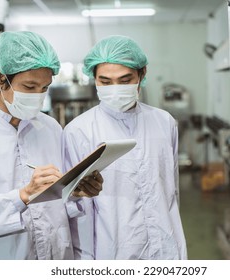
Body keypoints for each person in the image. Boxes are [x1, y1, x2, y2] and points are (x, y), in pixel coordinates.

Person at [0, 31, 103, 260]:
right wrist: (22, 196)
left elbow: (58, 202)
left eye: (44, 88)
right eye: (30, 86)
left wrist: (75, 191)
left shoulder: (51, 128)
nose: (38, 96)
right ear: (0, 78)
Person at [62, 35, 187, 259]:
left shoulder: (164, 122)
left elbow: (171, 189)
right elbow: (75, 206)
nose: (115, 88)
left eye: (125, 79)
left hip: (166, 247)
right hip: (112, 251)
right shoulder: (78, 131)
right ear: (94, 79)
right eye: (105, 82)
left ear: (142, 75)